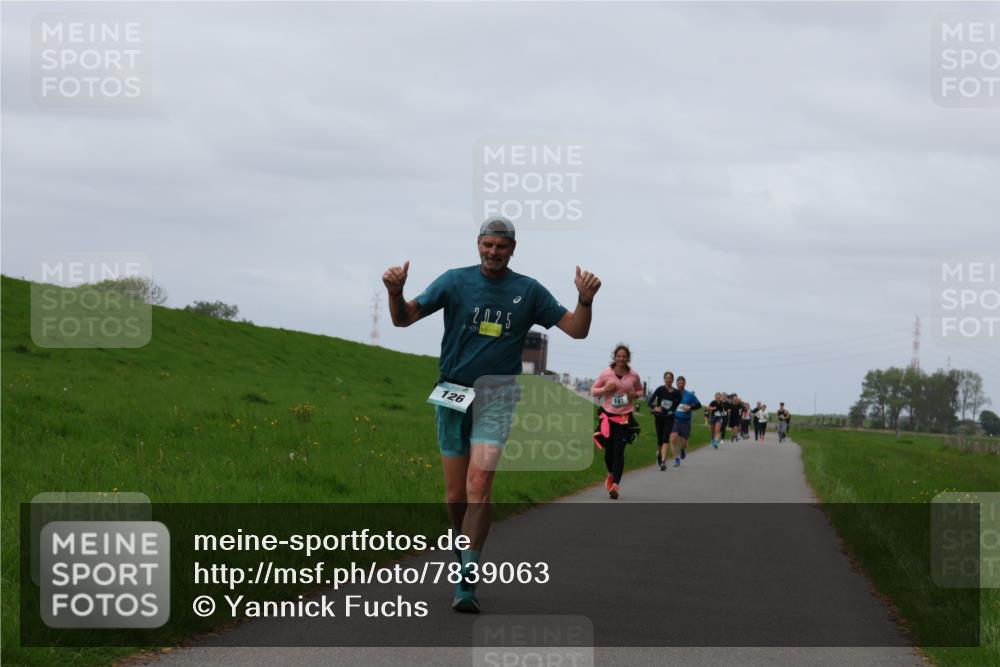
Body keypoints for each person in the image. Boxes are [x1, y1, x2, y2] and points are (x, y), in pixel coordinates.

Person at [382, 216, 601, 613]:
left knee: (479, 484)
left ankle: (466, 578)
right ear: (478, 244)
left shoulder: (528, 291)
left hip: (497, 395)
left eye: (501, 247)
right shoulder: (454, 281)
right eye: (487, 245)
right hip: (452, 391)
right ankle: (464, 548)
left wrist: (585, 301)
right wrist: (395, 293)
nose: (493, 252)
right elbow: (404, 318)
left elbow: (576, 330)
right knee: (454, 495)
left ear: (512, 249)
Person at [592, 345, 643, 498]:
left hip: (624, 418)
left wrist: (633, 395)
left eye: (624, 356)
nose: (621, 359)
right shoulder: (606, 373)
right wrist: (605, 389)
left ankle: (616, 486)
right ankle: (610, 474)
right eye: (619, 356)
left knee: (619, 451)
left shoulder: (634, 375)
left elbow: (640, 391)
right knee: (609, 453)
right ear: (615, 357)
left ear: (628, 358)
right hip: (608, 417)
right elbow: (593, 390)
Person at [648, 371, 682, 470]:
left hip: (669, 418)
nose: (668, 379)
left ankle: (663, 462)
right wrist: (655, 408)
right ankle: (659, 454)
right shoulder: (660, 389)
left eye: (670, 378)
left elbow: (677, 403)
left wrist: (672, 410)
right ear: (664, 379)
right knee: (660, 440)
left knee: (665, 439)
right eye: (666, 378)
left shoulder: (676, 393)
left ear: (672, 380)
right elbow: (650, 402)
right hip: (659, 418)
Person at [669, 376, 701, 464]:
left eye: (682, 383)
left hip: (686, 422)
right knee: (673, 438)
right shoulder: (673, 393)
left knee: (684, 443)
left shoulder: (690, 395)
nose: (680, 385)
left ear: (684, 384)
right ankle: (676, 459)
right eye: (678, 383)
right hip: (675, 420)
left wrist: (690, 407)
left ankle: (682, 449)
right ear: (676, 384)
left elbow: (699, 405)